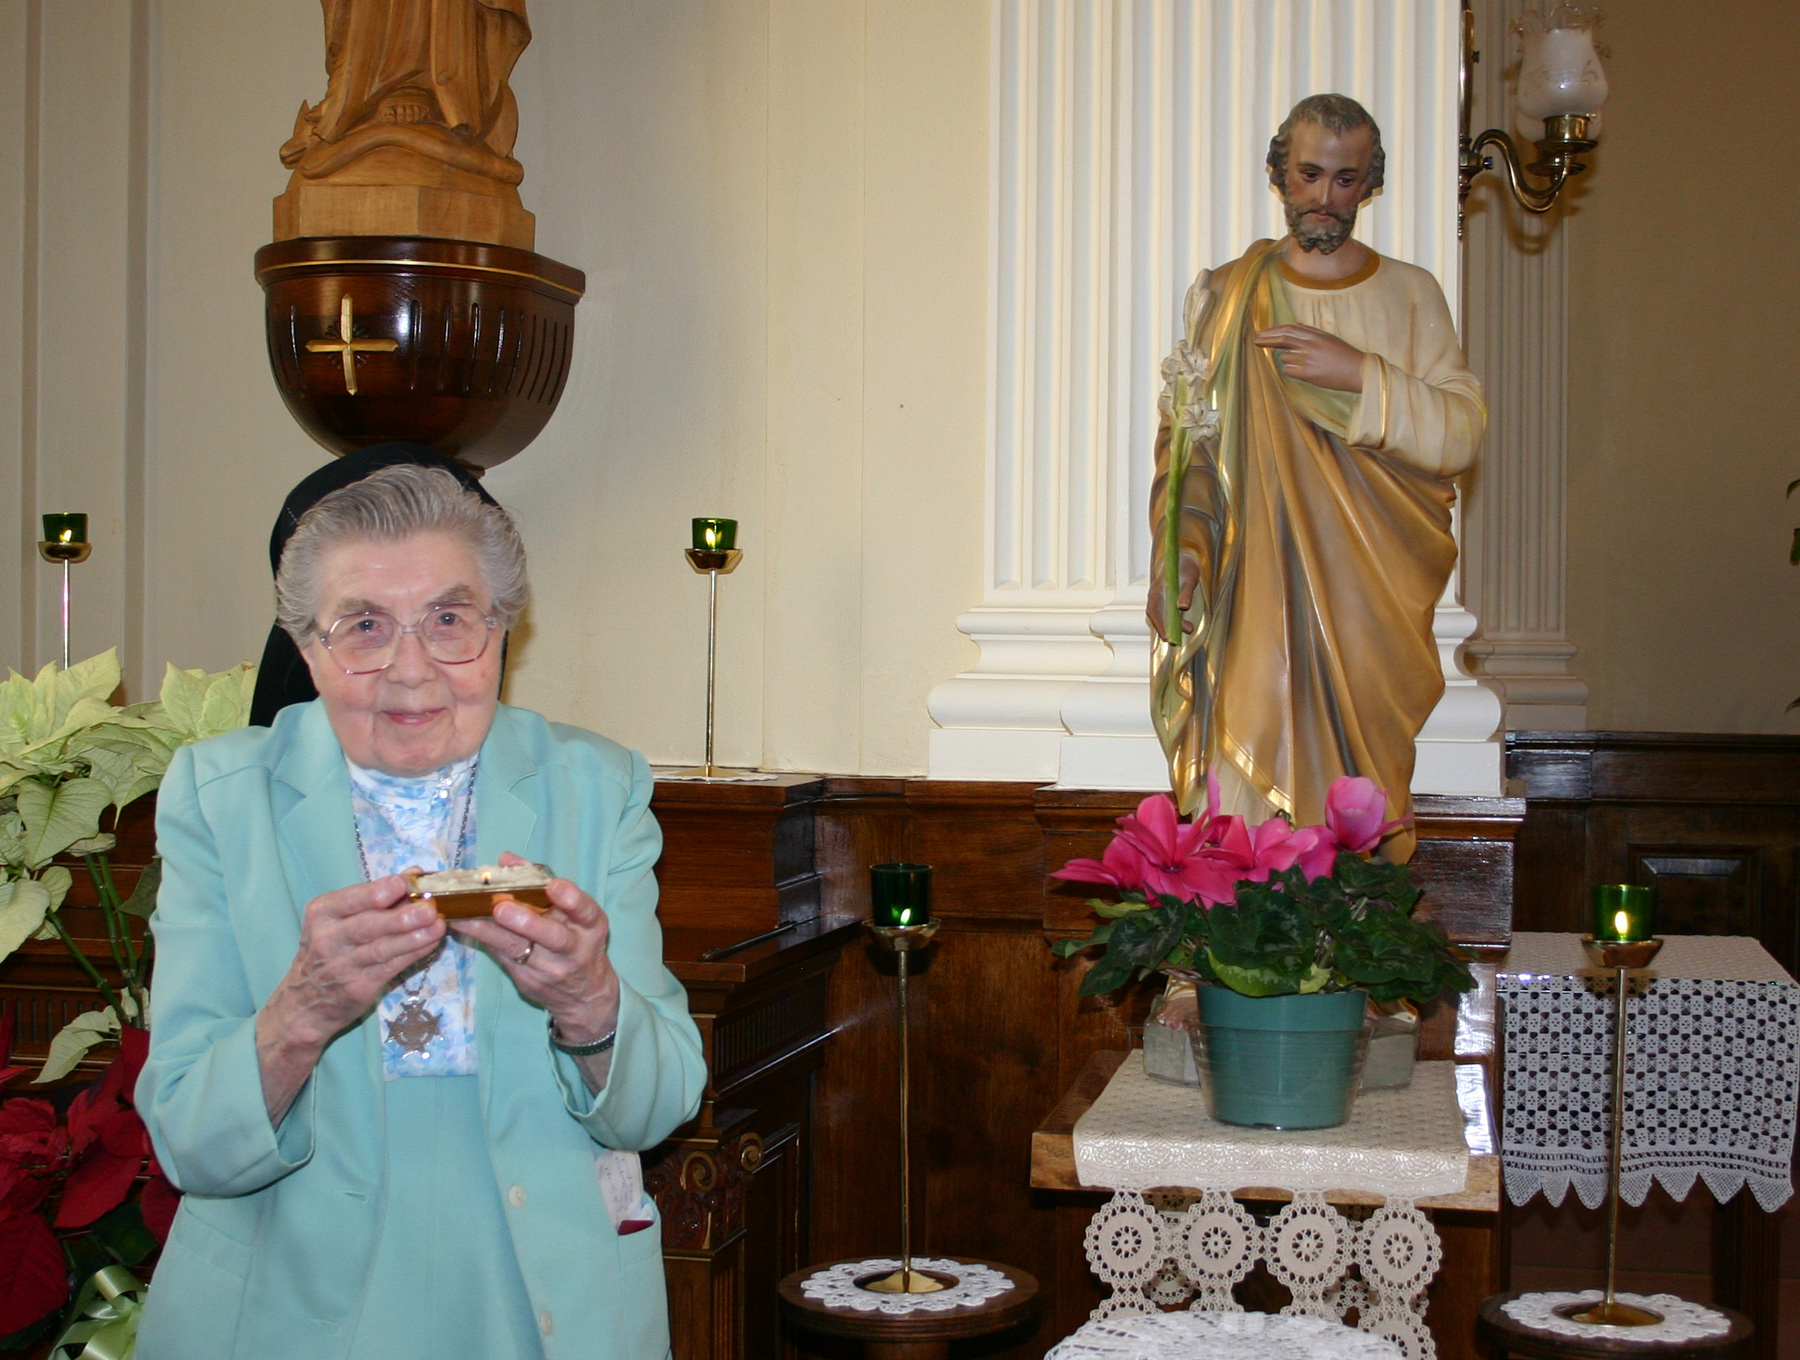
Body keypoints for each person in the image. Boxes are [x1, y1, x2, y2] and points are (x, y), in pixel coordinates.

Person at [135, 464, 707, 1359]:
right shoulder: (221, 796)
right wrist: (303, 1010)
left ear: (502, 631)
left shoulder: (598, 786)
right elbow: (190, 1143)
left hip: (538, 1295)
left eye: (449, 620)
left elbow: (654, 1109)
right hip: (284, 1300)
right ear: (308, 649)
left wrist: (589, 1000)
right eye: (363, 626)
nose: (411, 670)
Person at [1148, 93, 1485, 863]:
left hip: (1371, 592)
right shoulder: (1228, 297)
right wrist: (1186, 553)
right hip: (1254, 585)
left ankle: (1350, 945)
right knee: (1246, 757)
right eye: (1309, 175)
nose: (1325, 198)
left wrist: (1360, 376)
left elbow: (1463, 430)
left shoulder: (1410, 294)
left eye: (1346, 178)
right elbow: (1191, 444)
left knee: (1360, 787)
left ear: (1370, 184)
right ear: (1280, 175)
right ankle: (1238, 943)